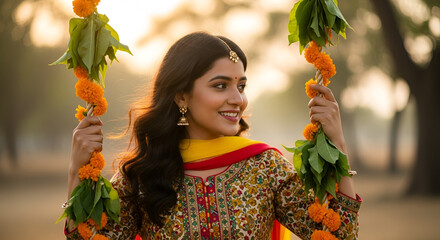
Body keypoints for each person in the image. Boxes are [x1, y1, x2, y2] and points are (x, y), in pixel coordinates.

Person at [64, 32, 361, 239]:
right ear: (182, 97)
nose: (238, 99)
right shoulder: (143, 173)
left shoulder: (265, 167)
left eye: (241, 86)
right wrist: (76, 171)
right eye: (220, 85)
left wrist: (338, 144)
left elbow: (339, 236)